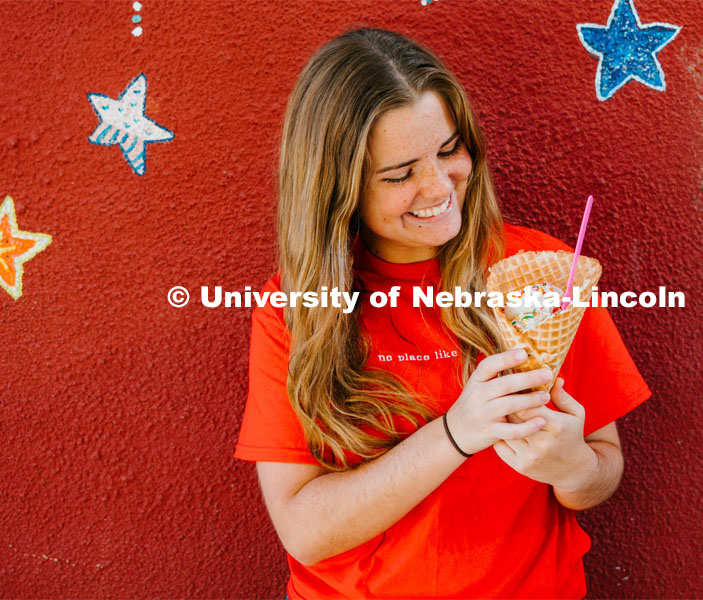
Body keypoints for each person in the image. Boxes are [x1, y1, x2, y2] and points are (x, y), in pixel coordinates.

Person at [234, 26, 651, 599]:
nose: (438, 186)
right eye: (400, 173)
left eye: (449, 149)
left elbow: (602, 472)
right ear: (339, 190)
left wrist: (570, 465)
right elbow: (305, 532)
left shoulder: (549, 272)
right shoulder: (295, 312)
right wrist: (457, 432)